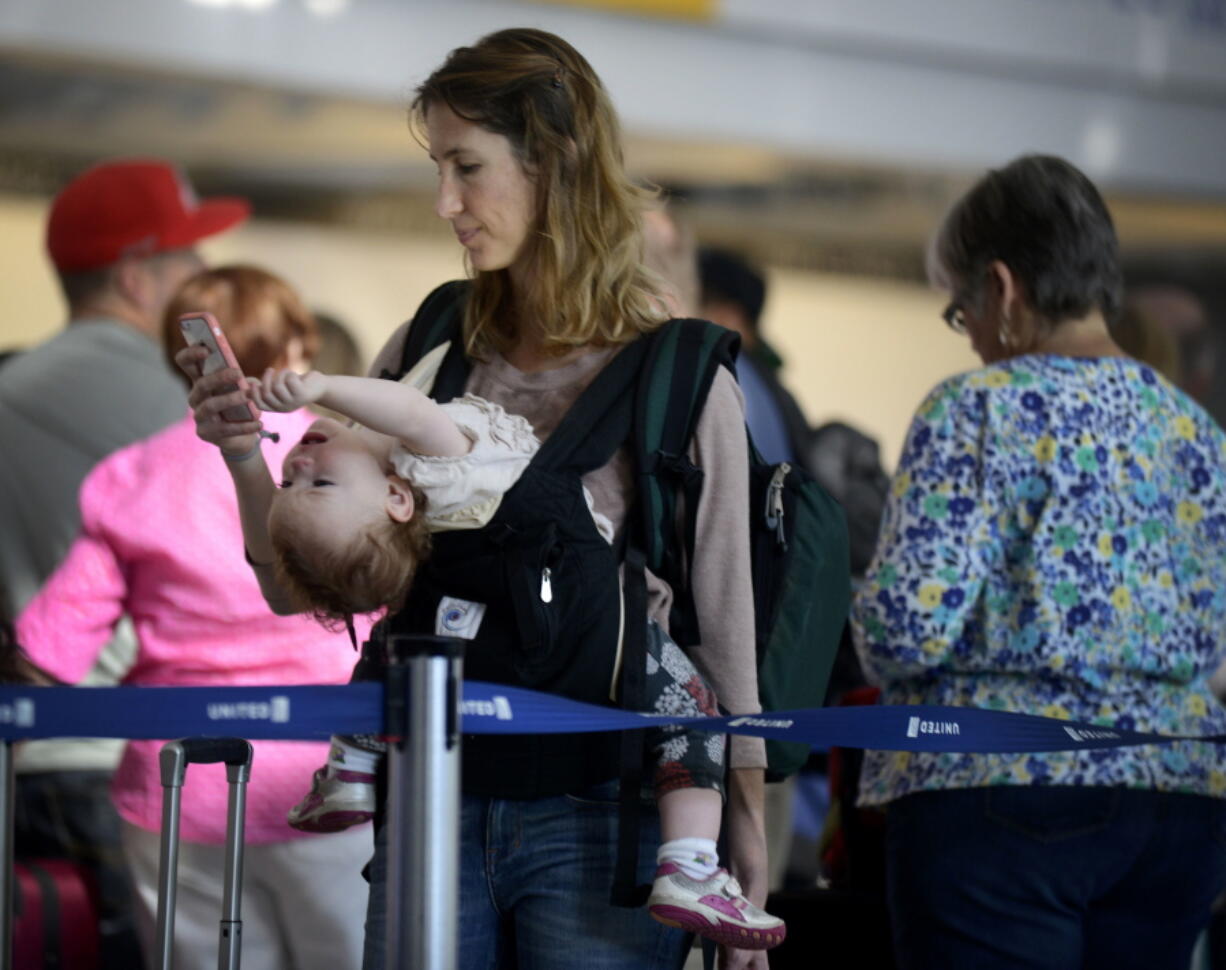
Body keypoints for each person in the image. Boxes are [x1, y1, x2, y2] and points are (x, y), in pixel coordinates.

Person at [177, 27, 768, 970]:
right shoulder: (433, 342)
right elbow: (302, 586)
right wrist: (248, 458)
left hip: (601, 822)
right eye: (437, 168)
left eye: (468, 167)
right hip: (429, 803)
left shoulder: (681, 370)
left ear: (556, 162)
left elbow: (721, 630)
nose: (446, 202)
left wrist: (745, 851)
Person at [242, 363, 786, 949]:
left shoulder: (411, 493)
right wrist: (321, 387)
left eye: (292, 485)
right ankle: (689, 863)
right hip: (593, 646)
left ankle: (352, 765)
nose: (295, 469)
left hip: (510, 721)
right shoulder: (439, 466)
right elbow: (412, 410)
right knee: (693, 713)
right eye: (311, 486)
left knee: (394, 647)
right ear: (397, 498)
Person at [853, 154, 1226, 970]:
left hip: (1002, 795)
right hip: (1178, 800)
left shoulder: (976, 410)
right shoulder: (1195, 432)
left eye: (962, 311)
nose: (973, 336)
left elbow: (908, 629)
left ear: (1003, 288)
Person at [15, 266, 374, 970]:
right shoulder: (347, 459)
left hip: (177, 787)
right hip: (336, 781)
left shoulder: (132, 475)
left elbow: (50, 650)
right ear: (300, 342)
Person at [0, 157, 248, 968]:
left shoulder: (16, 387)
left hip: (33, 757)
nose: (205, 279)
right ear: (140, 276)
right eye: (190, 261)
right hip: (135, 769)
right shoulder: (167, 402)